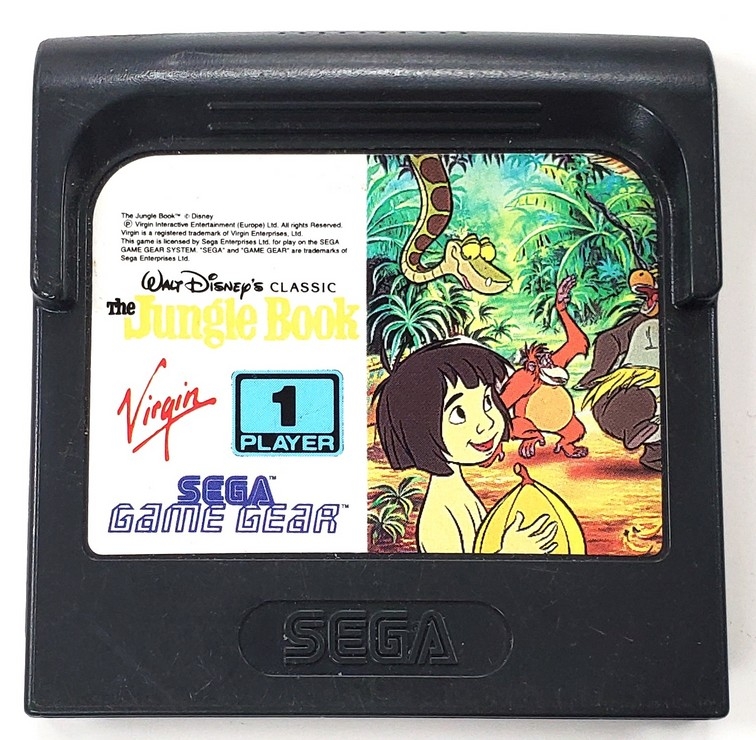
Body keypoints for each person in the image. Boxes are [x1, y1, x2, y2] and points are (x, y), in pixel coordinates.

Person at [374, 338, 559, 554]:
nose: (486, 423)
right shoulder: (438, 516)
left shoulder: (458, 494)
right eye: (459, 414)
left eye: (487, 401)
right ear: (419, 428)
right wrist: (510, 550)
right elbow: (456, 575)